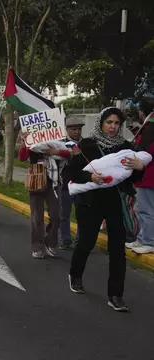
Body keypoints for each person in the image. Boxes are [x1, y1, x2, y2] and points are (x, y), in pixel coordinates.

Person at [67, 107, 144, 312]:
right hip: (90, 201)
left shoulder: (126, 147)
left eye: (117, 123)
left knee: (117, 248)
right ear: (101, 123)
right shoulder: (86, 145)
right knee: (86, 241)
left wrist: (139, 168)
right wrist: (90, 177)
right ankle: (75, 274)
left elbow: (134, 178)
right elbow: (70, 172)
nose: (113, 127)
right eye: (109, 122)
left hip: (116, 202)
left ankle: (116, 294)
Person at [19, 128, 72, 259]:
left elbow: (72, 153)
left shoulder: (59, 139)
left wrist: (56, 151)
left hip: (54, 182)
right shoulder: (32, 139)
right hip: (36, 180)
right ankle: (37, 246)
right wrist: (24, 142)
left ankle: (51, 242)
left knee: (56, 215)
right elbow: (22, 157)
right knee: (37, 216)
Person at [128, 99, 154, 254]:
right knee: (142, 209)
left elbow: (147, 151)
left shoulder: (150, 128)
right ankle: (142, 238)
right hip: (145, 175)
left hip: (148, 175)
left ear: (142, 111)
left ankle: (148, 241)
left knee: (147, 210)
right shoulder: (147, 127)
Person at [59, 115, 85, 250]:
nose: (76, 132)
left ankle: (80, 240)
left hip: (82, 185)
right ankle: (65, 239)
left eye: (79, 129)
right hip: (66, 185)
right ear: (67, 129)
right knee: (65, 214)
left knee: (82, 214)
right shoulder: (60, 143)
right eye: (73, 129)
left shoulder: (86, 144)